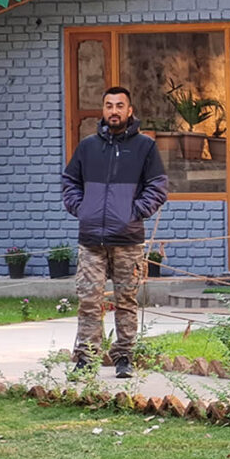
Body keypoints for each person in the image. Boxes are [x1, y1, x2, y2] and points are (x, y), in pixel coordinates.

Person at [62, 86, 168, 378]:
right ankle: (87, 359)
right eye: (109, 105)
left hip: (127, 240)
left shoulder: (145, 147)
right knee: (88, 301)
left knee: (125, 301)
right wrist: (82, 209)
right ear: (103, 110)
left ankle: (124, 358)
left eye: (120, 105)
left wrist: (134, 212)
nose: (114, 111)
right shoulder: (87, 147)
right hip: (91, 240)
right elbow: (70, 182)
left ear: (129, 110)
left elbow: (158, 187)